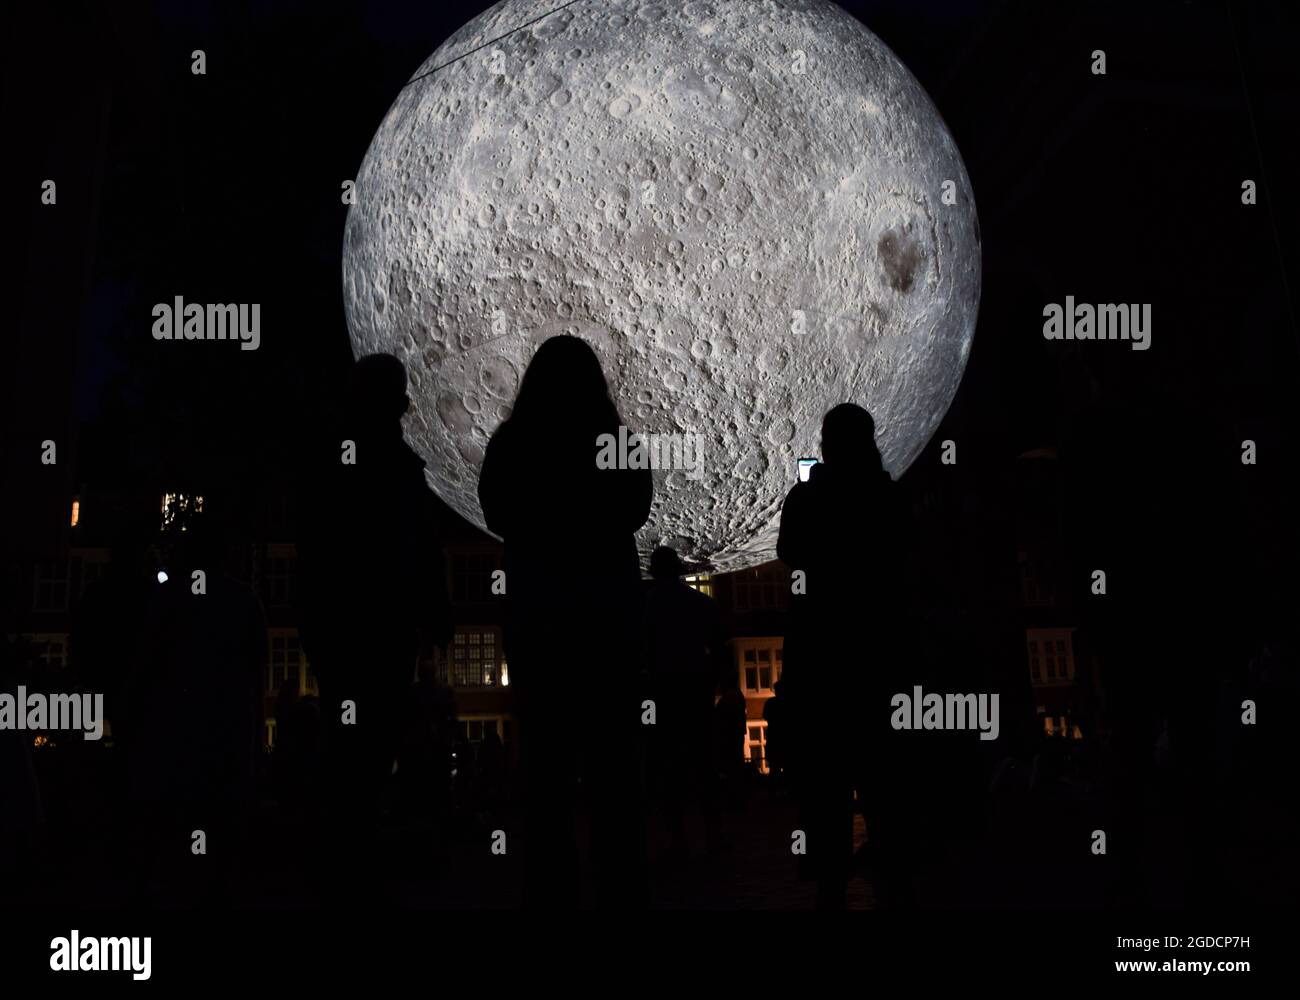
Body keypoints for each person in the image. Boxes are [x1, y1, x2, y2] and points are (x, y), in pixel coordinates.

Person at [477, 334, 652, 908]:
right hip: (606, 619)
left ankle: (551, 888)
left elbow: (496, 510)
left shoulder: (513, 442)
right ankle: (620, 883)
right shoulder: (613, 440)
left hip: (539, 617)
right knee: (614, 766)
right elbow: (637, 508)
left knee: (546, 768)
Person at [298, 353, 452, 897]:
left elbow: (315, 549)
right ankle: (354, 850)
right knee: (371, 741)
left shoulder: (334, 461)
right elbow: (422, 548)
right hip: (382, 629)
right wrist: (436, 614)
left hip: (346, 628)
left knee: (351, 741)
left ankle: (344, 853)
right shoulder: (401, 468)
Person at [777, 403, 911, 908]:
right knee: (883, 781)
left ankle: (830, 883)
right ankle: (892, 878)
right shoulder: (888, 496)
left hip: (820, 659)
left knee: (825, 785)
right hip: (878, 655)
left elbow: (791, 552)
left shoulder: (808, 498)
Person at [644, 546, 729, 859]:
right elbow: (720, 648)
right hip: (696, 689)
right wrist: (710, 683)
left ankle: (678, 838)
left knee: (669, 769)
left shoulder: (646, 606)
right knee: (705, 765)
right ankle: (713, 835)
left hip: (663, 692)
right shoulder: (701, 603)